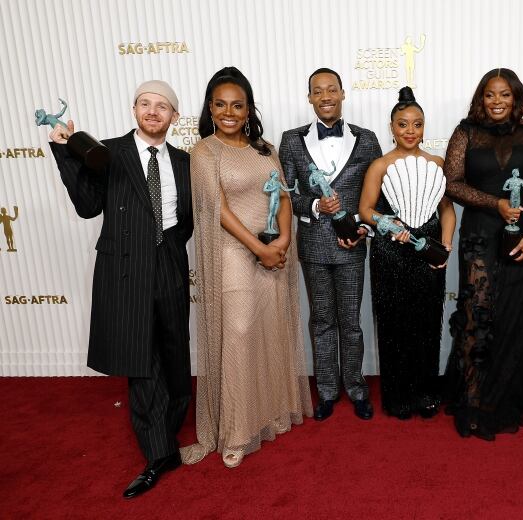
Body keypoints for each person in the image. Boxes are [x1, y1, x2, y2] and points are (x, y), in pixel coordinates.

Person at [48, 81, 192, 497]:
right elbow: (88, 205)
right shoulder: (106, 152)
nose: (152, 111)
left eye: (162, 106)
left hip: (168, 262)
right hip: (126, 269)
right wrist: (64, 150)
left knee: (175, 354)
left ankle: (169, 431)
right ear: (133, 109)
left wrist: (168, 247)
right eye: (145, 103)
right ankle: (158, 453)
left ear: (174, 117)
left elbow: (187, 218)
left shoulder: (184, 161)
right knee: (142, 361)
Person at [181, 67, 312, 468]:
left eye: (237, 105)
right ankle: (236, 431)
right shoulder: (204, 151)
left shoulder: (264, 147)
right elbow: (216, 207)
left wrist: (284, 242)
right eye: (220, 105)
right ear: (209, 108)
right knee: (238, 334)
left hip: (274, 251)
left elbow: (285, 196)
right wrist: (258, 247)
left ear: (249, 108)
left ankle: (269, 413)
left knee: (268, 330)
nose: (229, 112)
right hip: (233, 252)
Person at [442, 68, 523, 440]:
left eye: (505, 94)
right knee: (476, 315)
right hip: (480, 235)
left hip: (522, 237)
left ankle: (506, 398)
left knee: (515, 318)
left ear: (516, 97)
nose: (498, 101)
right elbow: (453, 185)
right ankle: (472, 400)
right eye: (490, 95)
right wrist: (496, 204)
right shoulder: (465, 132)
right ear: (481, 98)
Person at [279, 68, 382, 421]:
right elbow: (285, 196)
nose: (325, 96)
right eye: (317, 91)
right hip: (313, 245)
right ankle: (326, 391)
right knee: (322, 319)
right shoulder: (291, 140)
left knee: (350, 322)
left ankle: (355, 387)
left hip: (352, 244)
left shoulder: (367, 140)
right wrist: (314, 206)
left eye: (331, 89)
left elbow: (378, 194)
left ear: (342, 94)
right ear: (309, 97)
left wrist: (367, 227)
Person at [358, 87, 456, 419]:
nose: (410, 131)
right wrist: (388, 222)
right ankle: (398, 397)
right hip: (390, 251)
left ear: (424, 127)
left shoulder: (438, 163)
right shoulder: (380, 165)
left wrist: (445, 247)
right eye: (403, 124)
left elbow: (448, 212)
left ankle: (426, 393)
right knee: (394, 324)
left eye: (416, 124)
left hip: (428, 249)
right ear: (392, 127)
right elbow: (366, 210)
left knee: (427, 322)